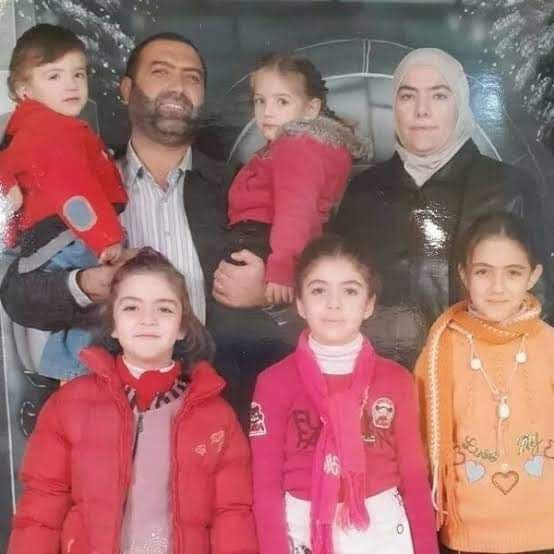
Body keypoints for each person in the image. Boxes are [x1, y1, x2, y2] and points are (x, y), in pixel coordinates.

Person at [8, 248, 257, 554]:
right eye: (131, 308)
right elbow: (41, 509)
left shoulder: (217, 417)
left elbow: (231, 513)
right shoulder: (68, 406)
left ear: (182, 327)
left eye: (164, 309)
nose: (147, 320)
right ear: (112, 324)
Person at [0, 33, 232, 341]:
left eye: (192, 78)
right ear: (126, 90)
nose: (178, 87)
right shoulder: (89, 179)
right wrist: (83, 285)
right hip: (107, 369)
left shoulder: (237, 186)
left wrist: (265, 293)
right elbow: (16, 294)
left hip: (213, 369)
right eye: (160, 72)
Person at [334, 47, 549, 369]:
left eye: (438, 96)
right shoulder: (363, 191)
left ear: (460, 103)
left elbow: (539, 304)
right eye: (408, 96)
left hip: (480, 379)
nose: (422, 110)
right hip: (379, 382)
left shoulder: (509, 187)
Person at [250, 234, 438, 554]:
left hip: (382, 532)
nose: (334, 304)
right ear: (299, 303)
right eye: (318, 290)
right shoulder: (274, 383)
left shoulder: (397, 381)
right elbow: (265, 487)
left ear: (369, 304)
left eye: (350, 291)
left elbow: (415, 479)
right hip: (304, 531)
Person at [415, 212, 554, 554]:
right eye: (483, 272)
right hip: (467, 537)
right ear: (464, 274)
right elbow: (418, 442)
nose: (497, 287)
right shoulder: (440, 348)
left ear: (534, 276)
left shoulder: (549, 344)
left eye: (513, 273)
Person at [0, 23, 128, 380]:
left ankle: (70, 366)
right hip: (69, 234)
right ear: (24, 90)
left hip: (51, 237)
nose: (71, 85)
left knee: (92, 307)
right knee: (105, 305)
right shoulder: (53, 131)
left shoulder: (28, 130)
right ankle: (77, 370)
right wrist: (106, 239)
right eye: (54, 76)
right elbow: (74, 193)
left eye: (78, 74)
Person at [227, 52, 366, 304]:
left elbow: (295, 210)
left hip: (268, 243)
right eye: (260, 101)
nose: (267, 112)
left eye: (282, 102)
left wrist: (282, 267)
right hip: (274, 243)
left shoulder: (297, 146)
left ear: (311, 108)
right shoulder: (298, 146)